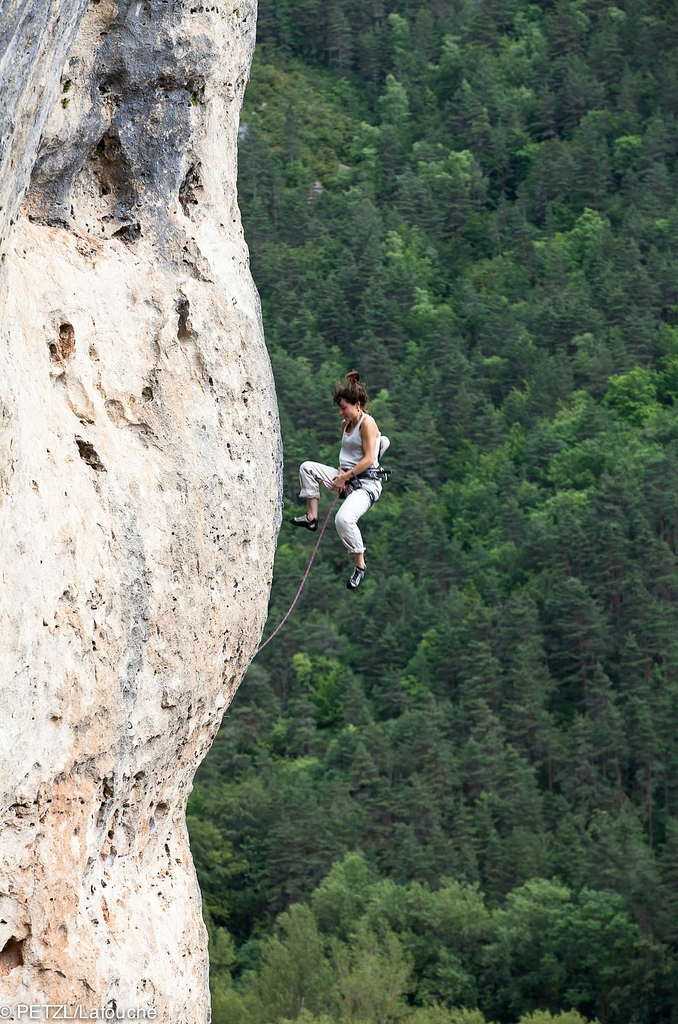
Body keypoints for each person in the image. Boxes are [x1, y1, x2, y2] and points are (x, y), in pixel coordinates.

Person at [290, 371, 384, 590]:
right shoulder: (345, 425)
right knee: (307, 468)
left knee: (343, 519)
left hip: (366, 485)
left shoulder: (367, 423)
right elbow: (347, 457)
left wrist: (344, 476)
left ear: (357, 404)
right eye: (340, 408)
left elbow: (369, 458)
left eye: (344, 407)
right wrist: (341, 472)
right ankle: (311, 517)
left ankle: (360, 566)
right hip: (347, 479)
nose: (341, 412)